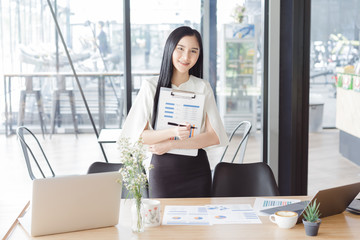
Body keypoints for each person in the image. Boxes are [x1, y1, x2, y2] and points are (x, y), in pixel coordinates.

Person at [120, 26, 228, 198]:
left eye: (193, 51)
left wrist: (171, 143)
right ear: (170, 48)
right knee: (163, 222)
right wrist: (173, 132)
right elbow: (139, 135)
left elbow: (214, 136)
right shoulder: (151, 86)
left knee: (199, 223)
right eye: (180, 49)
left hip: (197, 170)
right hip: (163, 170)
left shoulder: (202, 87)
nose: (186, 57)